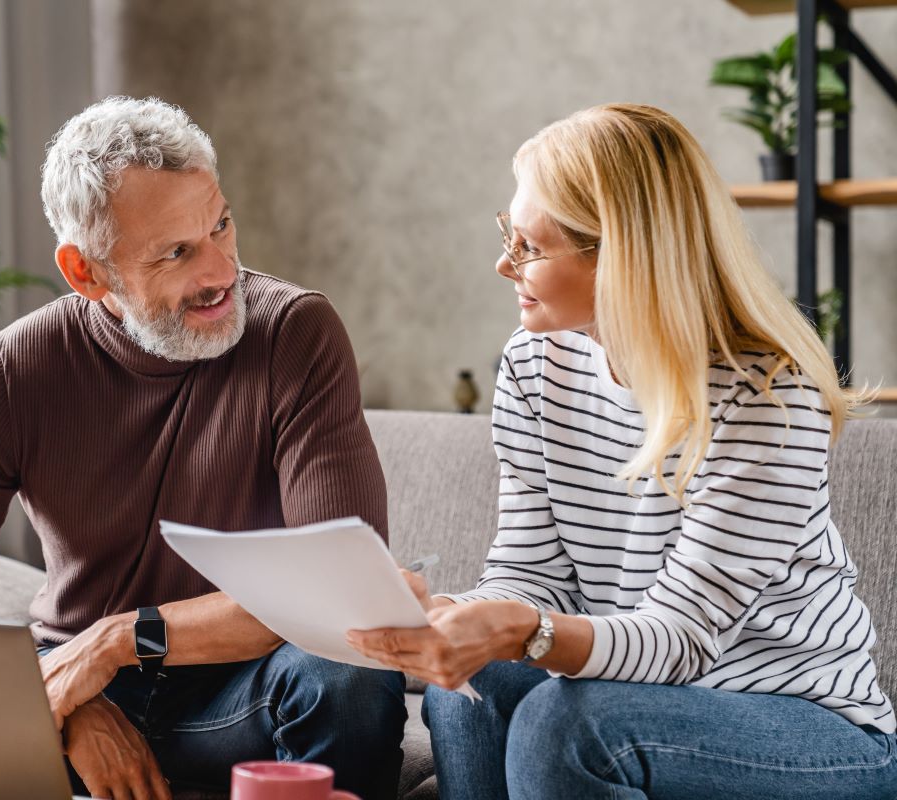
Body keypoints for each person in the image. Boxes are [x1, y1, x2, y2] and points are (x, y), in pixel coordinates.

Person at [347, 103, 896, 799]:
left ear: (623, 256)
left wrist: (524, 630)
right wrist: (454, 617)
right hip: (637, 695)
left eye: (530, 248)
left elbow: (682, 638)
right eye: (506, 236)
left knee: (562, 723)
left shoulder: (768, 397)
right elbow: (528, 571)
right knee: (469, 686)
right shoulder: (533, 365)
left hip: (810, 730)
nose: (503, 264)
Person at [0, 97, 406, 799]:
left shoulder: (295, 334)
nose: (220, 273)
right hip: (71, 680)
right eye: (177, 252)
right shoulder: (10, 372)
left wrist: (118, 639)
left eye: (220, 225)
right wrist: (66, 704)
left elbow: (339, 595)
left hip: (239, 692)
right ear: (86, 273)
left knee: (352, 674)